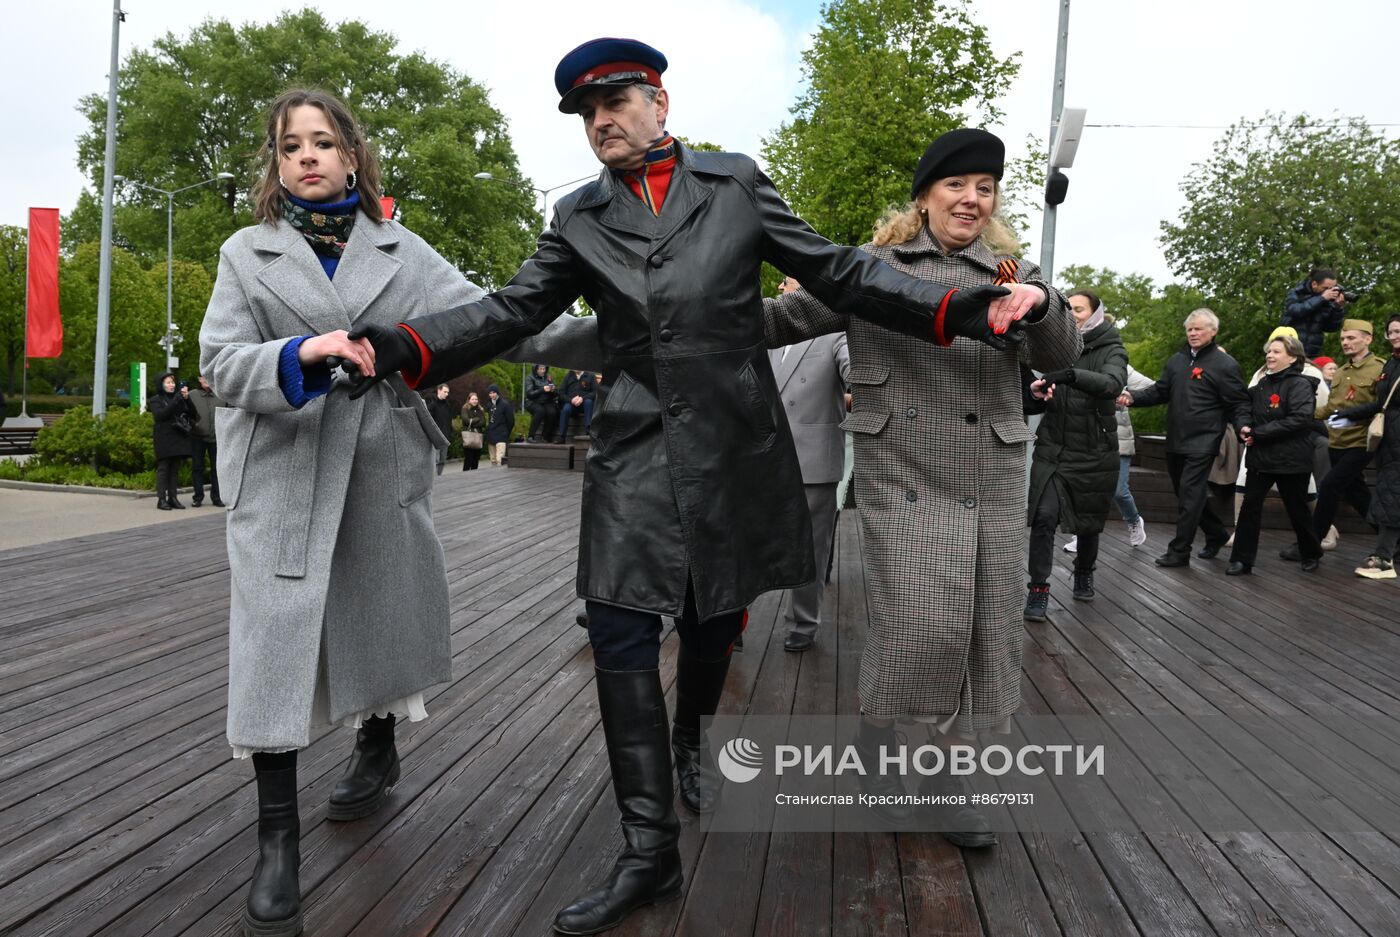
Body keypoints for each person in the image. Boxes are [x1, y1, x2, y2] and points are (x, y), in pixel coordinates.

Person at [339, 39, 1024, 935]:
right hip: (633, 444)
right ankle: (647, 850)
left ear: (660, 102)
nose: (601, 123)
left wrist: (965, 307)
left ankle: (692, 738)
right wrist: (397, 344)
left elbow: (839, 271)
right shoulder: (577, 215)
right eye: (587, 114)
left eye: (615, 102)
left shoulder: (735, 184)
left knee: (711, 618)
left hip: (735, 441)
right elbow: (512, 310)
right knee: (620, 625)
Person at [196, 88, 597, 937]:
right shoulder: (246, 252)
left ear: (352, 155)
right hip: (281, 472)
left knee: (380, 617)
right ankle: (277, 846)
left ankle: (377, 741)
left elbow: (495, 323)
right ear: (276, 165)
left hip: (378, 462)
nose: (306, 156)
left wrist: (621, 331)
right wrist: (301, 351)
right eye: (289, 146)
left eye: (322, 142)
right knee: (271, 647)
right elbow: (221, 364)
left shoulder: (400, 249)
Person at [762, 127, 1078, 848]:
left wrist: (1041, 303)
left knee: (977, 633)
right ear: (925, 196)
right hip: (902, 469)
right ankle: (930, 773)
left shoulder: (1010, 270)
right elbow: (783, 319)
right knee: (923, 626)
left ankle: (898, 750)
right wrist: (688, 321)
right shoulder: (871, 268)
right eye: (957, 185)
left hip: (989, 476)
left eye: (985, 188)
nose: (972, 198)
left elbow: (1062, 355)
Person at [1023, 289, 1127, 616]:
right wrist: (1040, 393)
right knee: (1042, 517)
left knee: (1088, 521)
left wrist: (1070, 375)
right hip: (1054, 447)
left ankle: (1084, 571)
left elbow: (1112, 384)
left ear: (1096, 313)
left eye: (1079, 308)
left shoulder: (1112, 348)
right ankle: (1038, 588)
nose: (1072, 313)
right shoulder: (1052, 343)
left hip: (1095, 449)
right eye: (1068, 307)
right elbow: (1034, 390)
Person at [1122, 309, 1249, 567]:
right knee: (1187, 495)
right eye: (1190, 329)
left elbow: (1239, 403)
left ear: (1213, 331)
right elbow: (1160, 391)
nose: (1193, 333)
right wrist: (1132, 398)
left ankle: (1179, 551)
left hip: (1204, 440)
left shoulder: (1225, 365)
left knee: (1190, 495)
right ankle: (1216, 534)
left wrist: (1243, 426)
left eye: (1199, 329)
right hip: (1176, 438)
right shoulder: (1177, 361)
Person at [768, 277, 850, 652]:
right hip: (763, 460)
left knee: (811, 551)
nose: (783, 291)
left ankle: (803, 624)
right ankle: (732, 620)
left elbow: (858, 373)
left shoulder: (834, 332)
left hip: (813, 463)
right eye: (785, 285)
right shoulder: (768, 332)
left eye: (788, 283)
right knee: (746, 543)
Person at [1281, 318, 1387, 561]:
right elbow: (1331, 407)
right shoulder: (1341, 371)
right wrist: (1301, 415)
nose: (1345, 342)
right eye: (1342, 338)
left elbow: (1381, 405)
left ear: (1367, 339)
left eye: (1351, 338)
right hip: (1337, 441)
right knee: (1358, 495)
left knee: (1329, 486)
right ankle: (1392, 540)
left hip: (1362, 441)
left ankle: (1309, 545)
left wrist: (1352, 417)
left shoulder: (1380, 369)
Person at [1221, 326, 1328, 549]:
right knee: (1250, 507)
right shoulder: (1260, 384)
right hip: (1261, 458)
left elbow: (1300, 419)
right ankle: (1242, 558)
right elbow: (1243, 407)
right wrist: (1243, 427)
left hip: (1291, 459)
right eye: (1269, 351)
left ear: (1292, 358)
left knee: (1297, 509)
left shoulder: (1302, 384)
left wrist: (1257, 433)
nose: (1270, 355)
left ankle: (1310, 551)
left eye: (1276, 352)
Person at [1333, 314, 1400, 579]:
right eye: (1391, 332)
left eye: (1398, 331)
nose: (1394, 336)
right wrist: (1349, 415)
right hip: (1389, 442)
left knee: (1390, 497)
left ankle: (1383, 559)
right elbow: (1382, 404)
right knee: (1390, 495)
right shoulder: (1392, 364)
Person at [148, 372, 197, 510]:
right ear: (161, 384)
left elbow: (193, 414)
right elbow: (160, 416)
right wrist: (176, 400)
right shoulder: (156, 400)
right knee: (163, 469)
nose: (172, 385)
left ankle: (173, 498)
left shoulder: (179, 398)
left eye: (173, 382)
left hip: (178, 437)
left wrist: (187, 399)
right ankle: (161, 499)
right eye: (168, 382)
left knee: (175, 469)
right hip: (163, 438)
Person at [1282, 266, 1347, 358]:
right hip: (1290, 348)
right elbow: (1295, 311)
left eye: (1333, 288)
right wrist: (1321, 298)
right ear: (1314, 284)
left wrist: (1338, 308)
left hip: (1312, 353)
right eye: (1326, 288)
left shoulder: (1328, 299)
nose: (1330, 291)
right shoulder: (1297, 293)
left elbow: (1331, 327)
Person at [187, 374, 226, 507]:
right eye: (203, 377)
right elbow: (186, 414)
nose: (206, 381)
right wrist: (193, 425)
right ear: (199, 379)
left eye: (209, 377)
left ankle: (217, 497)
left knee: (217, 468)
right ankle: (198, 497)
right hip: (197, 437)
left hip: (217, 437)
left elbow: (229, 413)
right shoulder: (191, 395)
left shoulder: (221, 395)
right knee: (198, 467)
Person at [423, 383, 455, 475]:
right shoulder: (431, 405)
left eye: (448, 392)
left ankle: (439, 477)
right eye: (445, 392)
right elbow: (428, 421)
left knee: (442, 460)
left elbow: (449, 421)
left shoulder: (447, 405)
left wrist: (449, 434)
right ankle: (434, 478)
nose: (447, 394)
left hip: (445, 437)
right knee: (435, 460)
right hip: (435, 438)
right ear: (439, 390)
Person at [525, 364, 561, 442]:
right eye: (540, 369)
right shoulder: (530, 378)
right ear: (536, 369)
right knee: (540, 411)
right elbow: (529, 394)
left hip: (546, 401)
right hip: (533, 402)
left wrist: (553, 390)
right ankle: (530, 436)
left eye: (544, 369)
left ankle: (545, 437)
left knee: (552, 412)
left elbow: (555, 393)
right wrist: (542, 389)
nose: (542, 371)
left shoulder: (548, 377)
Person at [556, 368, 595, 440]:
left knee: (589, 402)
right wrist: (571, 400)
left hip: (584, 403)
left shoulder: (590, 376)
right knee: (565, 410)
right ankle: (562, 436)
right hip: (571, 403)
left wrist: (582, 398)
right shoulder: (568, 376)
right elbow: (561, 393)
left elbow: (595, 392)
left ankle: (588, 430)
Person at [484, 384, 515, 466]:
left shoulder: (505, 405)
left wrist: (505, 432)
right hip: (491, 435)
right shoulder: (489, 405)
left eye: (494, 392)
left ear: (497, 393)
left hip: (501, 435)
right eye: (490, 393)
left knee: (500, 460)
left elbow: (511, 421)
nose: (492, 395)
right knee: (493, 460)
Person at [460, 391, 487, 470]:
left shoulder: (480, 410)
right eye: (473, 399)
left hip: (478, 437)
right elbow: (466, 421)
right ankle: (465, 476)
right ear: (469, 400)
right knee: (468, 459)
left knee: (476, 459)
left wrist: (473, 422)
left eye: (476, 399)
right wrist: (477, 419)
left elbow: (484, 422)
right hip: (468, 437)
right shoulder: (465, 409)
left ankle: (474, 476)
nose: (475, 401)